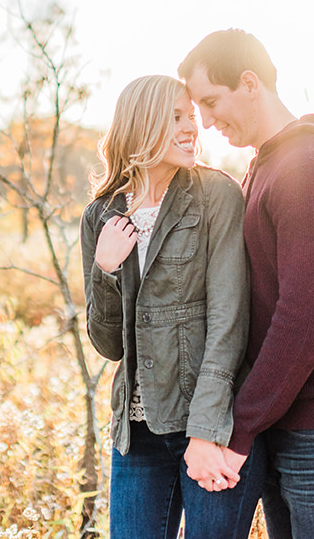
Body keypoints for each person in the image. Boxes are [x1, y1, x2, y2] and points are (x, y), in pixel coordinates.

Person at [178, 29, 314, 539]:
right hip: (290, 418)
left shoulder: (309, 168)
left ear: (249, 83)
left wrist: (240, 429)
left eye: (211, 101)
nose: (205, 120)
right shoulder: (270, 163)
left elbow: (306, 322)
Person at [80, 74, 261, 539]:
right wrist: (105, 268)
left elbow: (229, 322)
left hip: (209, 423)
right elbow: (108, 344)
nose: (191, 128)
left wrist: (206, 431)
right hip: (135, 434)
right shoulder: (101, 214)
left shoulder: (216, 196)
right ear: (142, 124)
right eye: (176, 117)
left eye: (192, 117)